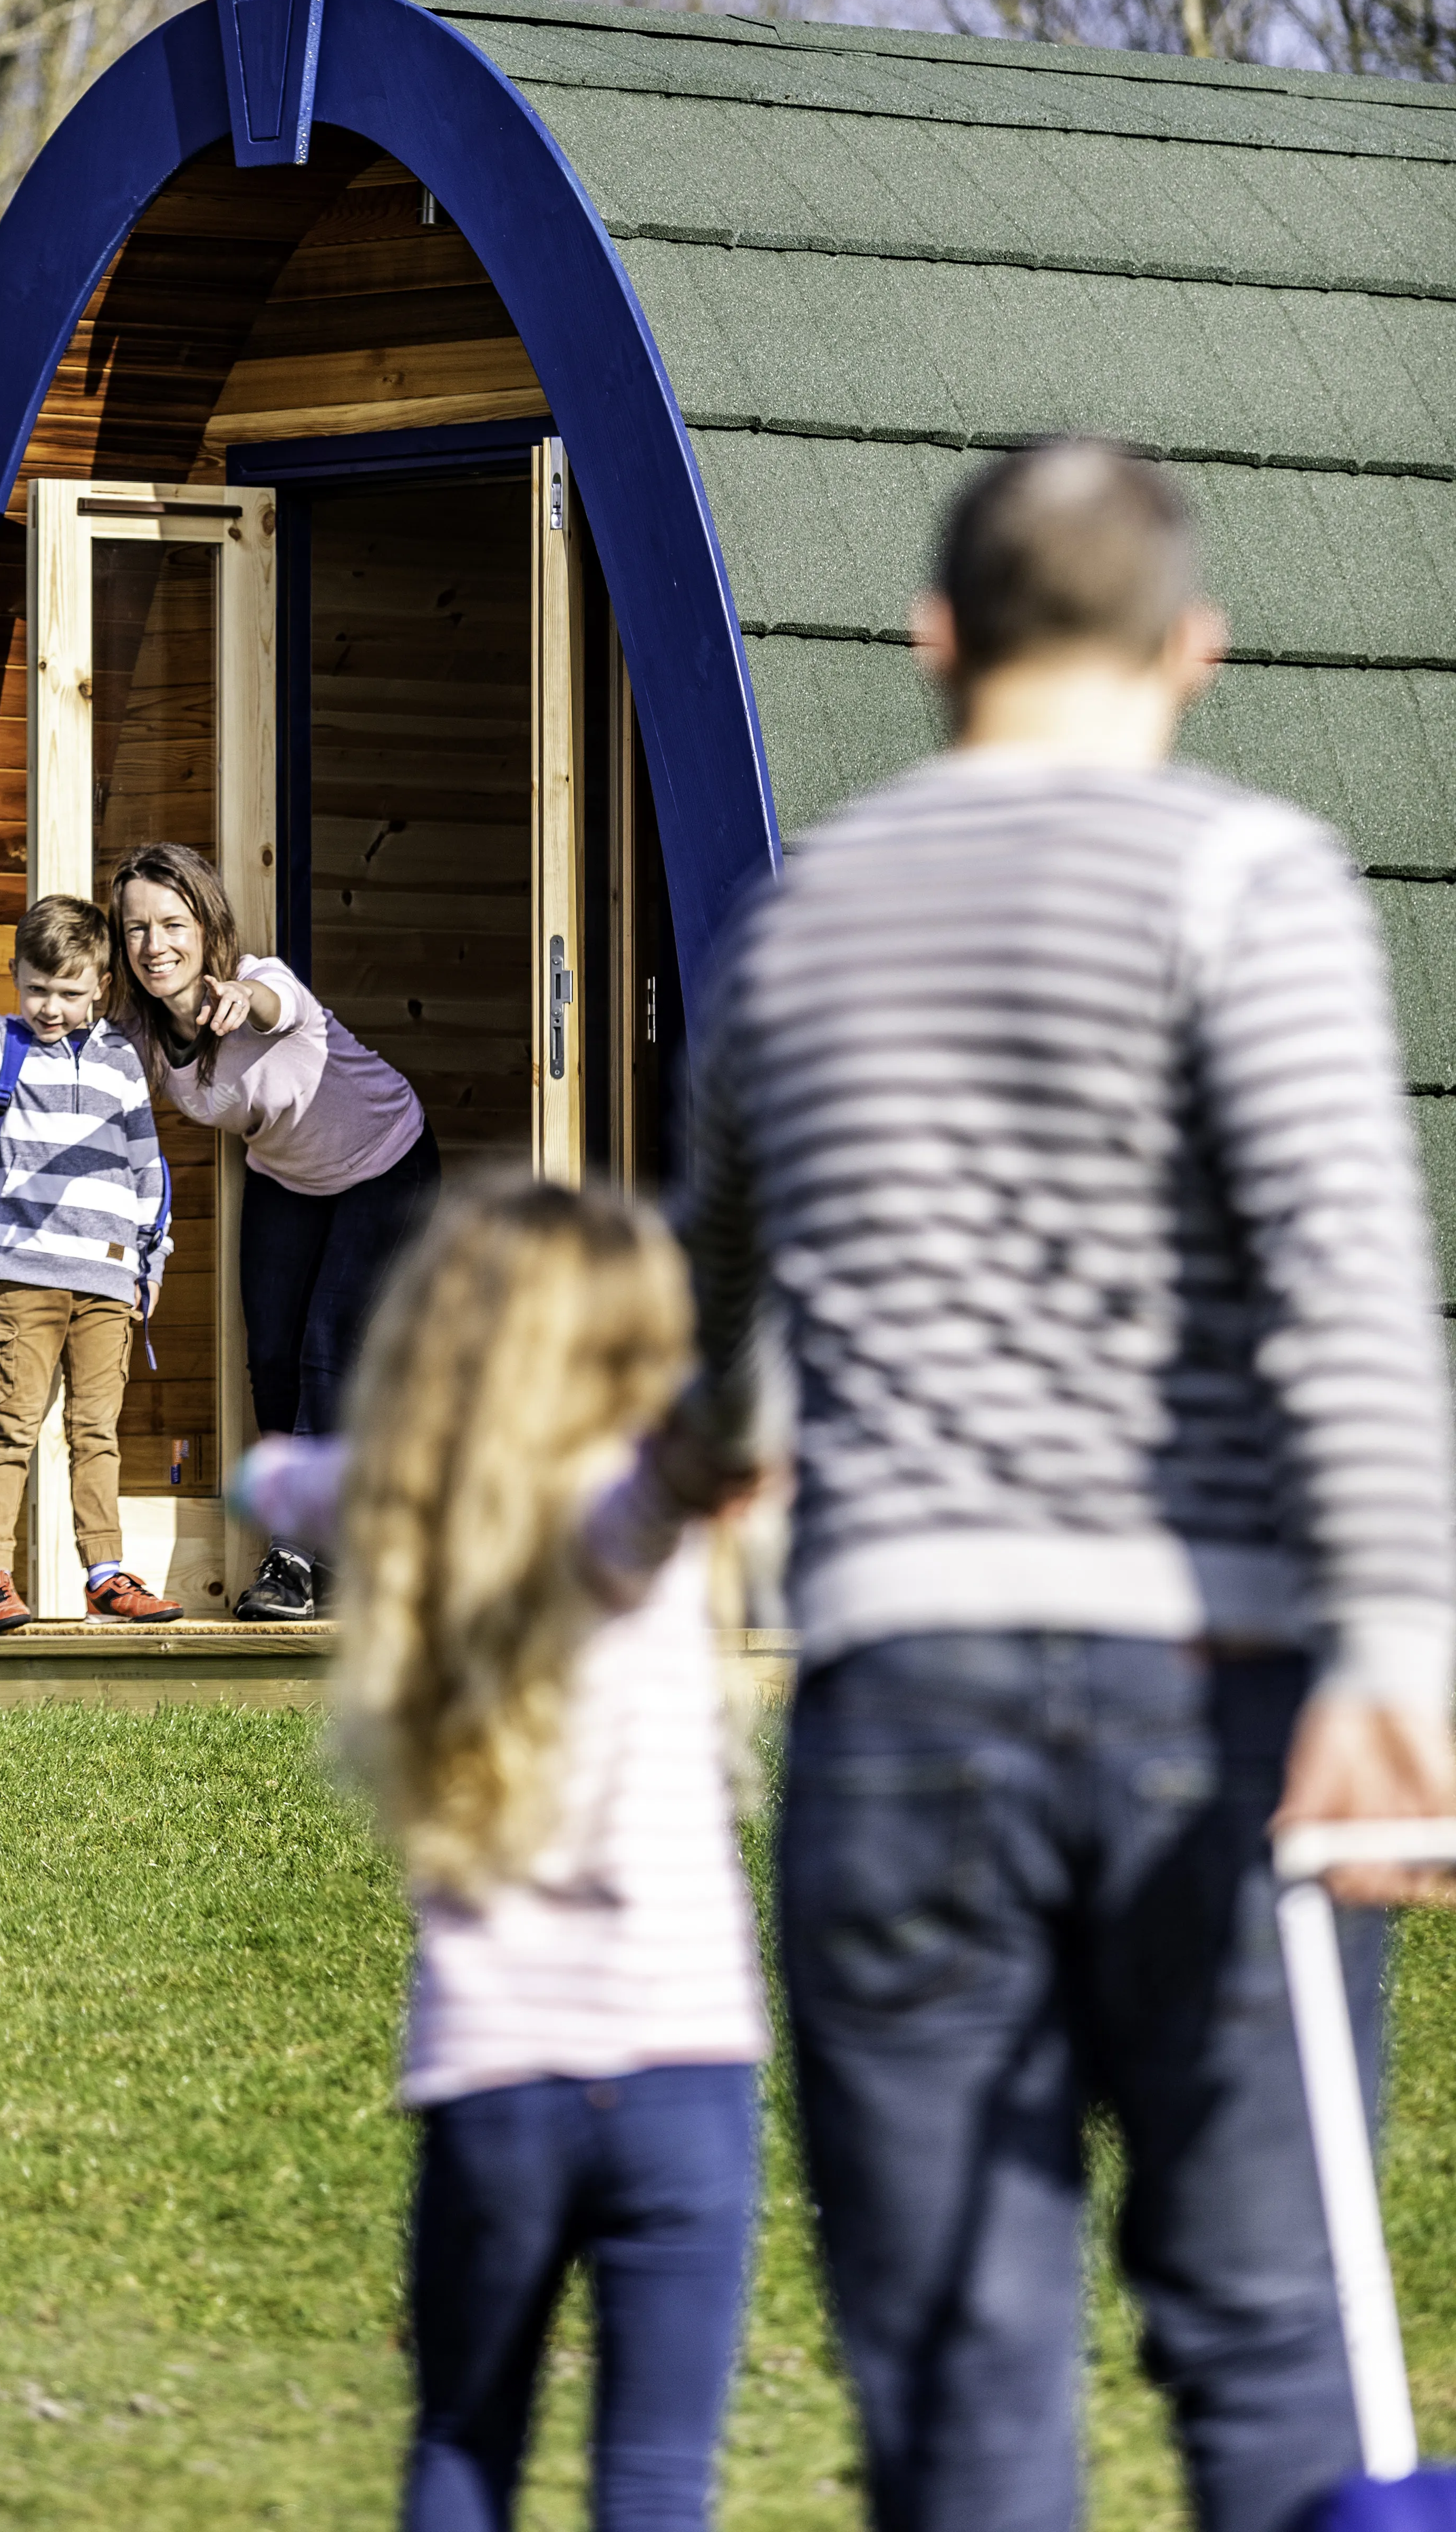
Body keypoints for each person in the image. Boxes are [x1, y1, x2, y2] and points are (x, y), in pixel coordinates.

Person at [674, 437, 1456, 2532]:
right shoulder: (1246, 880)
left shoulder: (788, 928)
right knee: (1272, 2340)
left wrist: (704, 1470)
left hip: (893, 1701)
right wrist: (1397, 1648)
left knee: (955, 2381)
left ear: (937, 641)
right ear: (1190, 650)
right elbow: (1345, 1281)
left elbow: (720, 1315)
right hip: (1211, 1695)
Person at [239, 1175, 765, 2531]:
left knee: (463, 2447)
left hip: (492, 2081)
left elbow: (264, 1477)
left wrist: (400, 1459)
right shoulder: (623, 1518)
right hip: (679, 2077)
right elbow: (665, 1478)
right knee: (654, 2485)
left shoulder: (409, 1505)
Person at [109, 839, 439, 1620]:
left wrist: (240, 1001)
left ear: (206, 924)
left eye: (173, 923)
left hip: (389, 1158)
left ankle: (297, 1556)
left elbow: (275, 1005)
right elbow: (72, 1062)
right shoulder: (145, 1036)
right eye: (135, 930)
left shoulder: (258, 981)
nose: (155, 946)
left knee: (330, 1345)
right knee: (271, 1356)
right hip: (288, 1176)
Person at [0, 868, 181, 1632]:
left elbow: (145, 1170)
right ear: (17, 980)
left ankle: (106, 1572)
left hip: (107, 1283)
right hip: (23, 1277)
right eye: (36, 990)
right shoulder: (1, 1046)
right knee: (12, 1426)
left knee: (97, 1432)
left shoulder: (122, 1059)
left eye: (67, 993)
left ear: (98, 988)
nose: (50, 1008)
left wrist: (149, 1268)